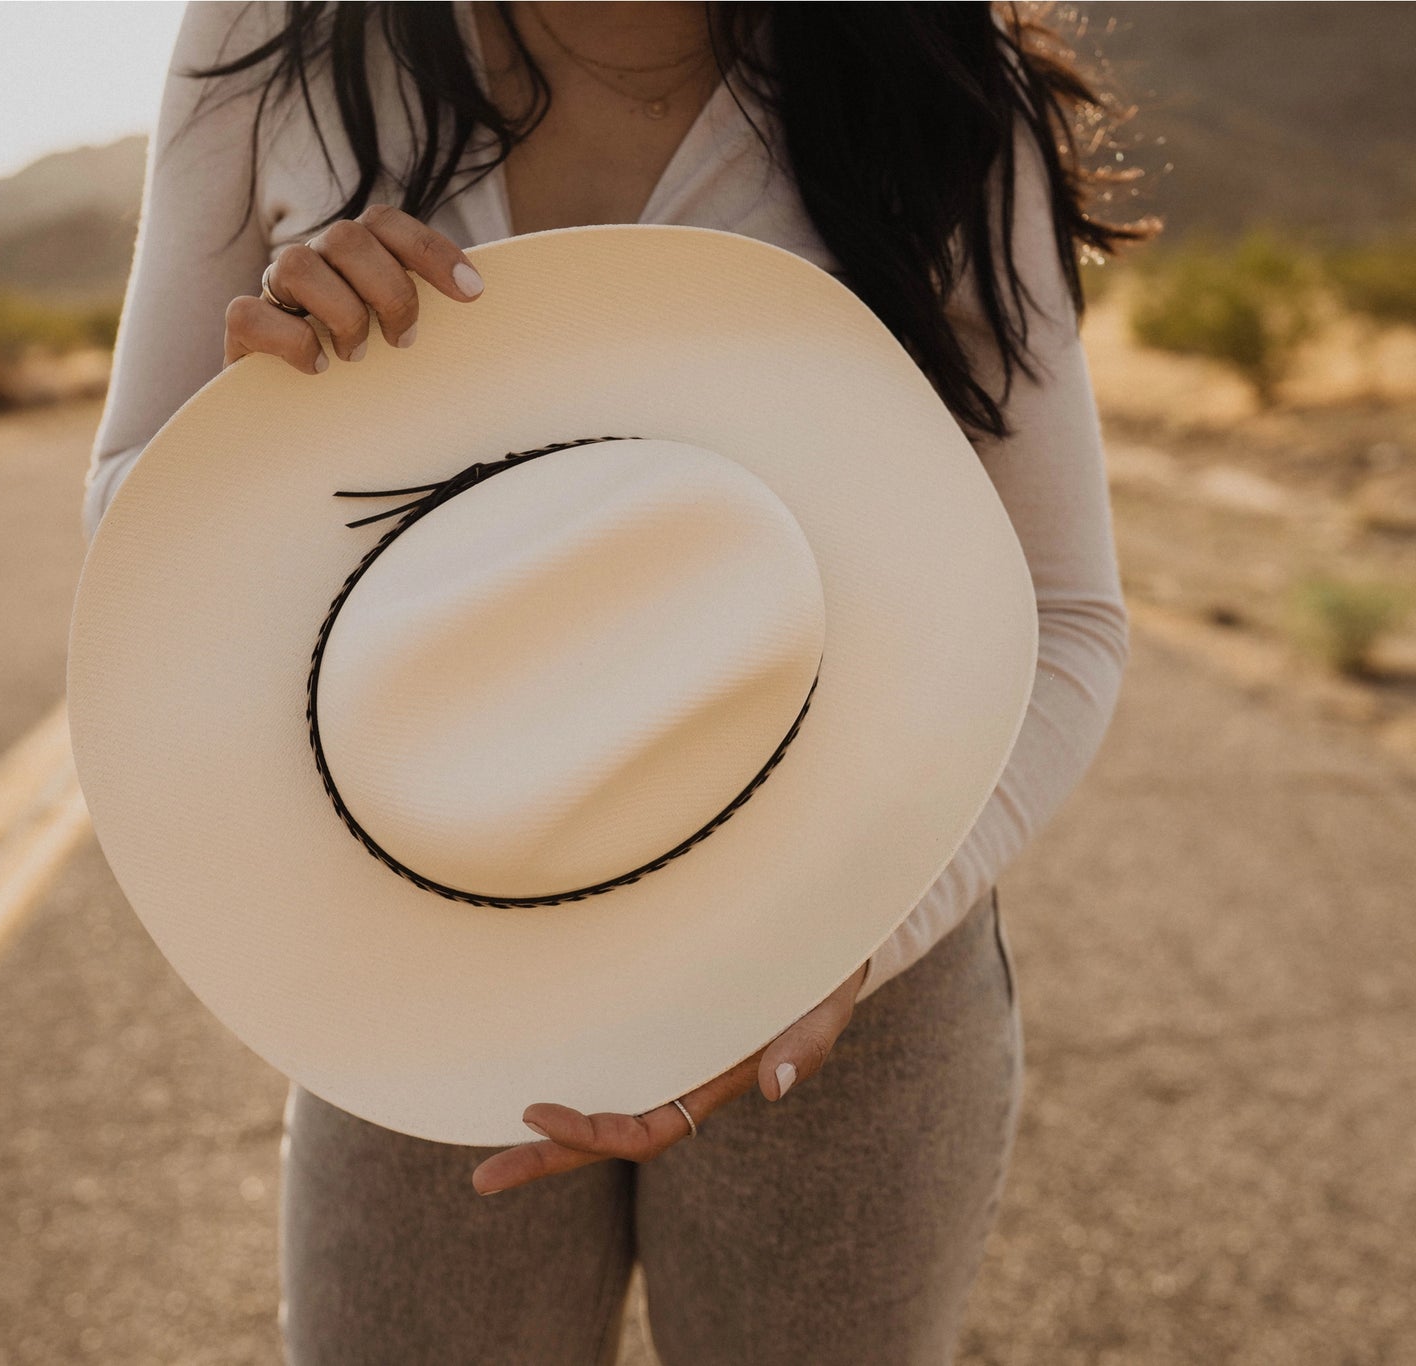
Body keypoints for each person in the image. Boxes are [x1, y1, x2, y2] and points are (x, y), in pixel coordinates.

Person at [82, 3, 1141, 1361]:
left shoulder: (922, 70)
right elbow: (131, 506)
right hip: (418, 957)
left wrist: (848, 955)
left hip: (853, 969)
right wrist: (261, 420)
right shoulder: (281, 36)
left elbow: (1066, 613)